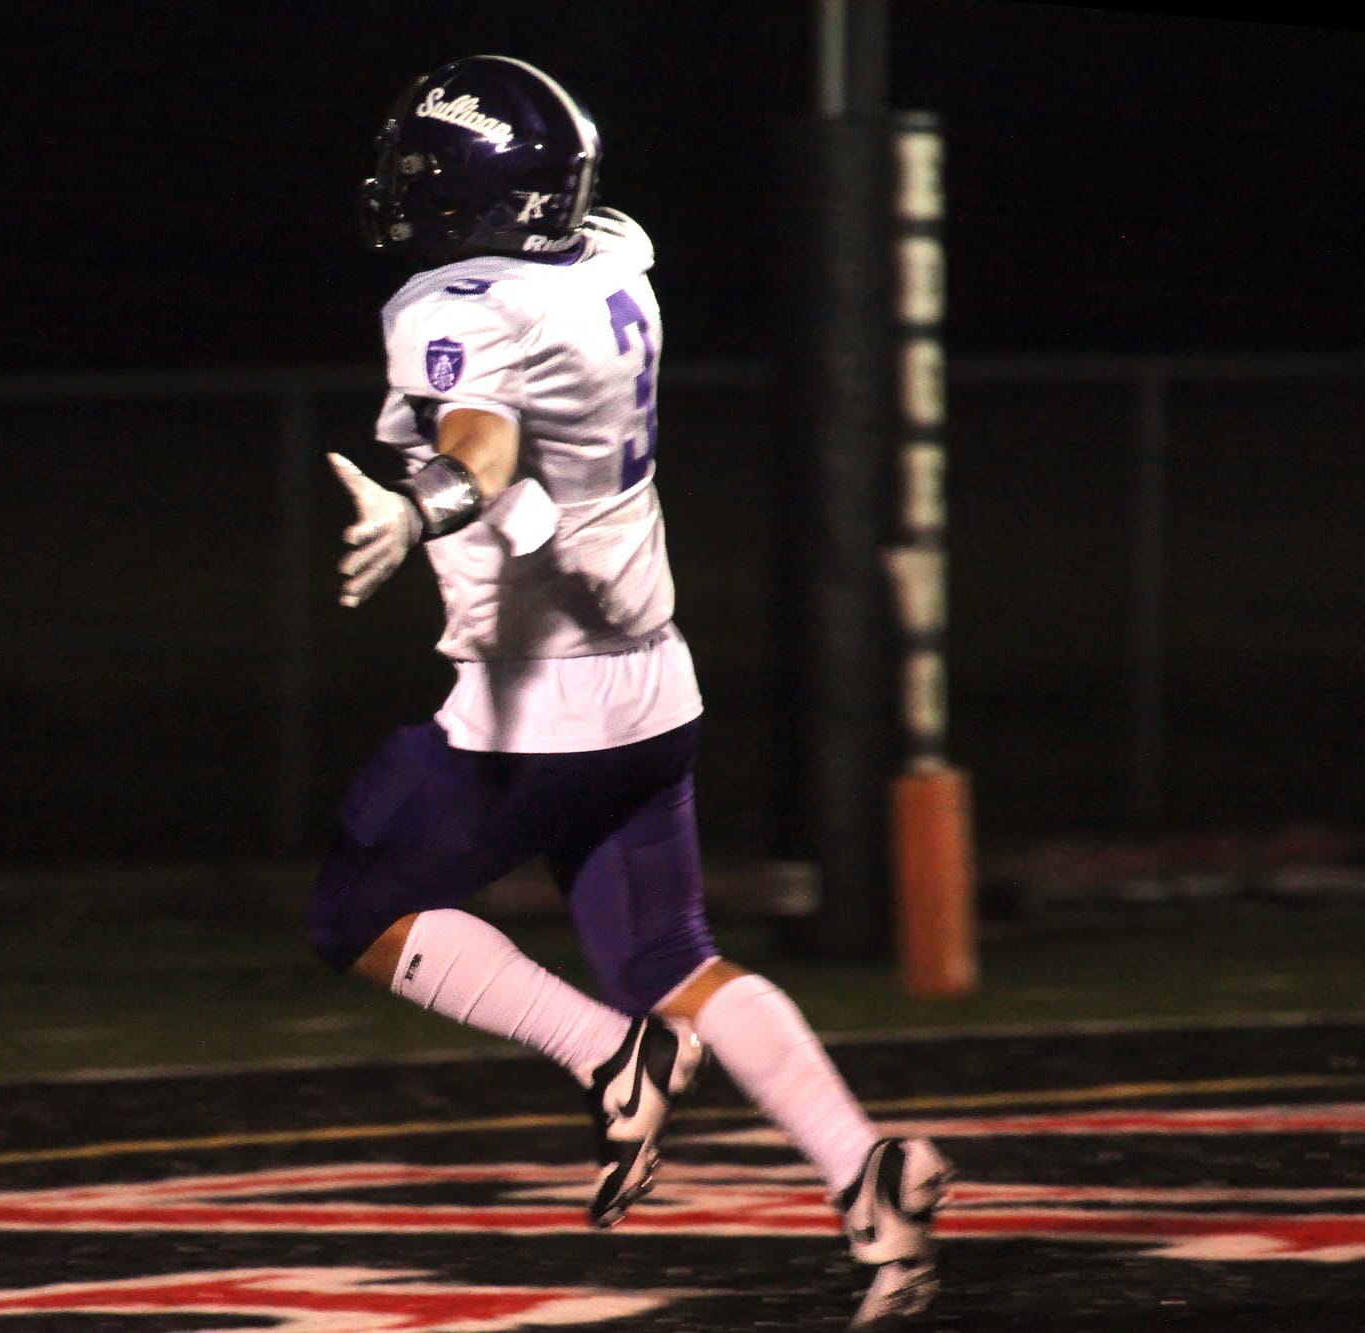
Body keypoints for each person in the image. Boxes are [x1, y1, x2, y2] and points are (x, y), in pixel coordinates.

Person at [306, 54, 954, 1328]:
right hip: (652, 688)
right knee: (670, 952)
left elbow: (481, 440)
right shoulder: (612, 256)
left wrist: (418, 506)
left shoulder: (455, 302)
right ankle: (865, 1174)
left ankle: (608, 1050)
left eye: (420, 173)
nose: (400, 190)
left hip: (532, 702)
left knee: (357, 912)